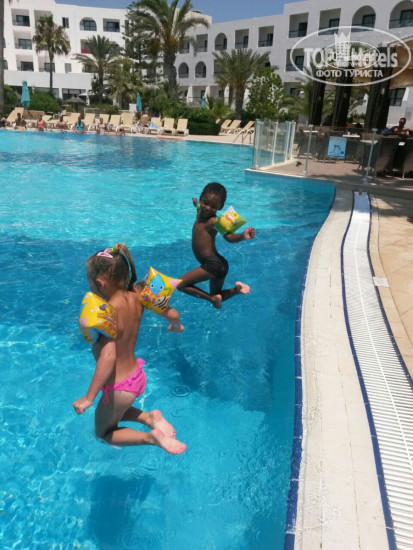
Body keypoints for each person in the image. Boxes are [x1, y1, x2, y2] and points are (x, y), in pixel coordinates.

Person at [73, 243, 186, 454]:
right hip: (137, 375)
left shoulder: (107, 314)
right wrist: (177, 325)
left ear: (100, 283)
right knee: (110, 412)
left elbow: (108, 356)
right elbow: (171, 313)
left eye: (89, 282)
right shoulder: (139, 295)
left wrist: (89, 397)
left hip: (118, 388)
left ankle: (152, 438)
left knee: (103, 433)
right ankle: (150, 417)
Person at [178, 182, 255, 308]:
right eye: (205, 202)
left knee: (180, 284)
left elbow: (229, 237)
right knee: (218, 296)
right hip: (220, 265)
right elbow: (198, 205)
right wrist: (195, 201)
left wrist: (243, 235)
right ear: (201, 199)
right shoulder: (200, 210)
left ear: (220, 207)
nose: (208, 208)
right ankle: (236, 290)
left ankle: (210, 299)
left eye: (213, 206)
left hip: (213, 265)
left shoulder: (215, 221)